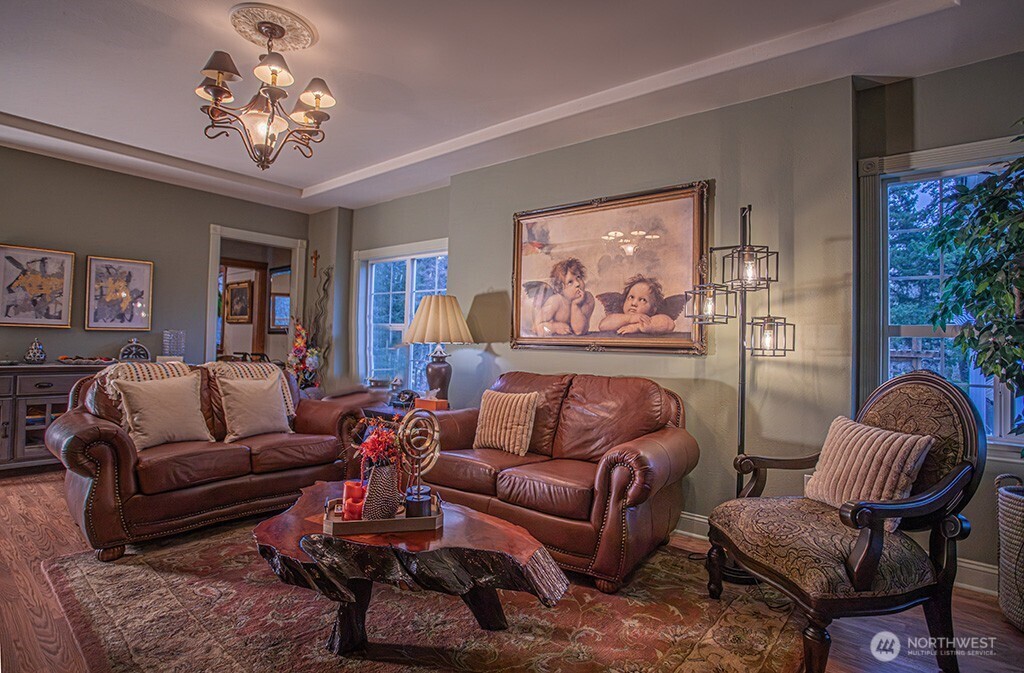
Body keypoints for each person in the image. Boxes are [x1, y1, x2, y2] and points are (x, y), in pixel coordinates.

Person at [597, 274, 679, 335]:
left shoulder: (651, 319)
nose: (634, 303)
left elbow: (669, 324)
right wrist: (630, 319)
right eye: (631, 297)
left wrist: (637, 327)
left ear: (652, 309)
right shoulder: (619, 318)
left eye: (642, 300)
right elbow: (603, 325)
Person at [532, 257, 595, 336]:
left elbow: (579, 331)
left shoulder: (588, 298)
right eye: (570, 282)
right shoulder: (555, 301)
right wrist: (554, 327)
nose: (577, 284)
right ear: (561, 288)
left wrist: (575, 305)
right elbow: (535, 327)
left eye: (578, 277)